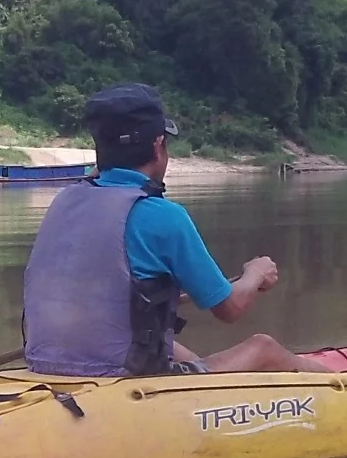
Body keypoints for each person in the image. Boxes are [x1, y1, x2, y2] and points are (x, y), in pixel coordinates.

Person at [22, 82, 316, 376]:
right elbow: (230, 307)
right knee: (263, 347)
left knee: (176, 348)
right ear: (158, 145)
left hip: (46, 366)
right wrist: (256, 273)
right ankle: (342, 383)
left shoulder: (65, 200)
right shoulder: (163, 216)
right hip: (119, 376)